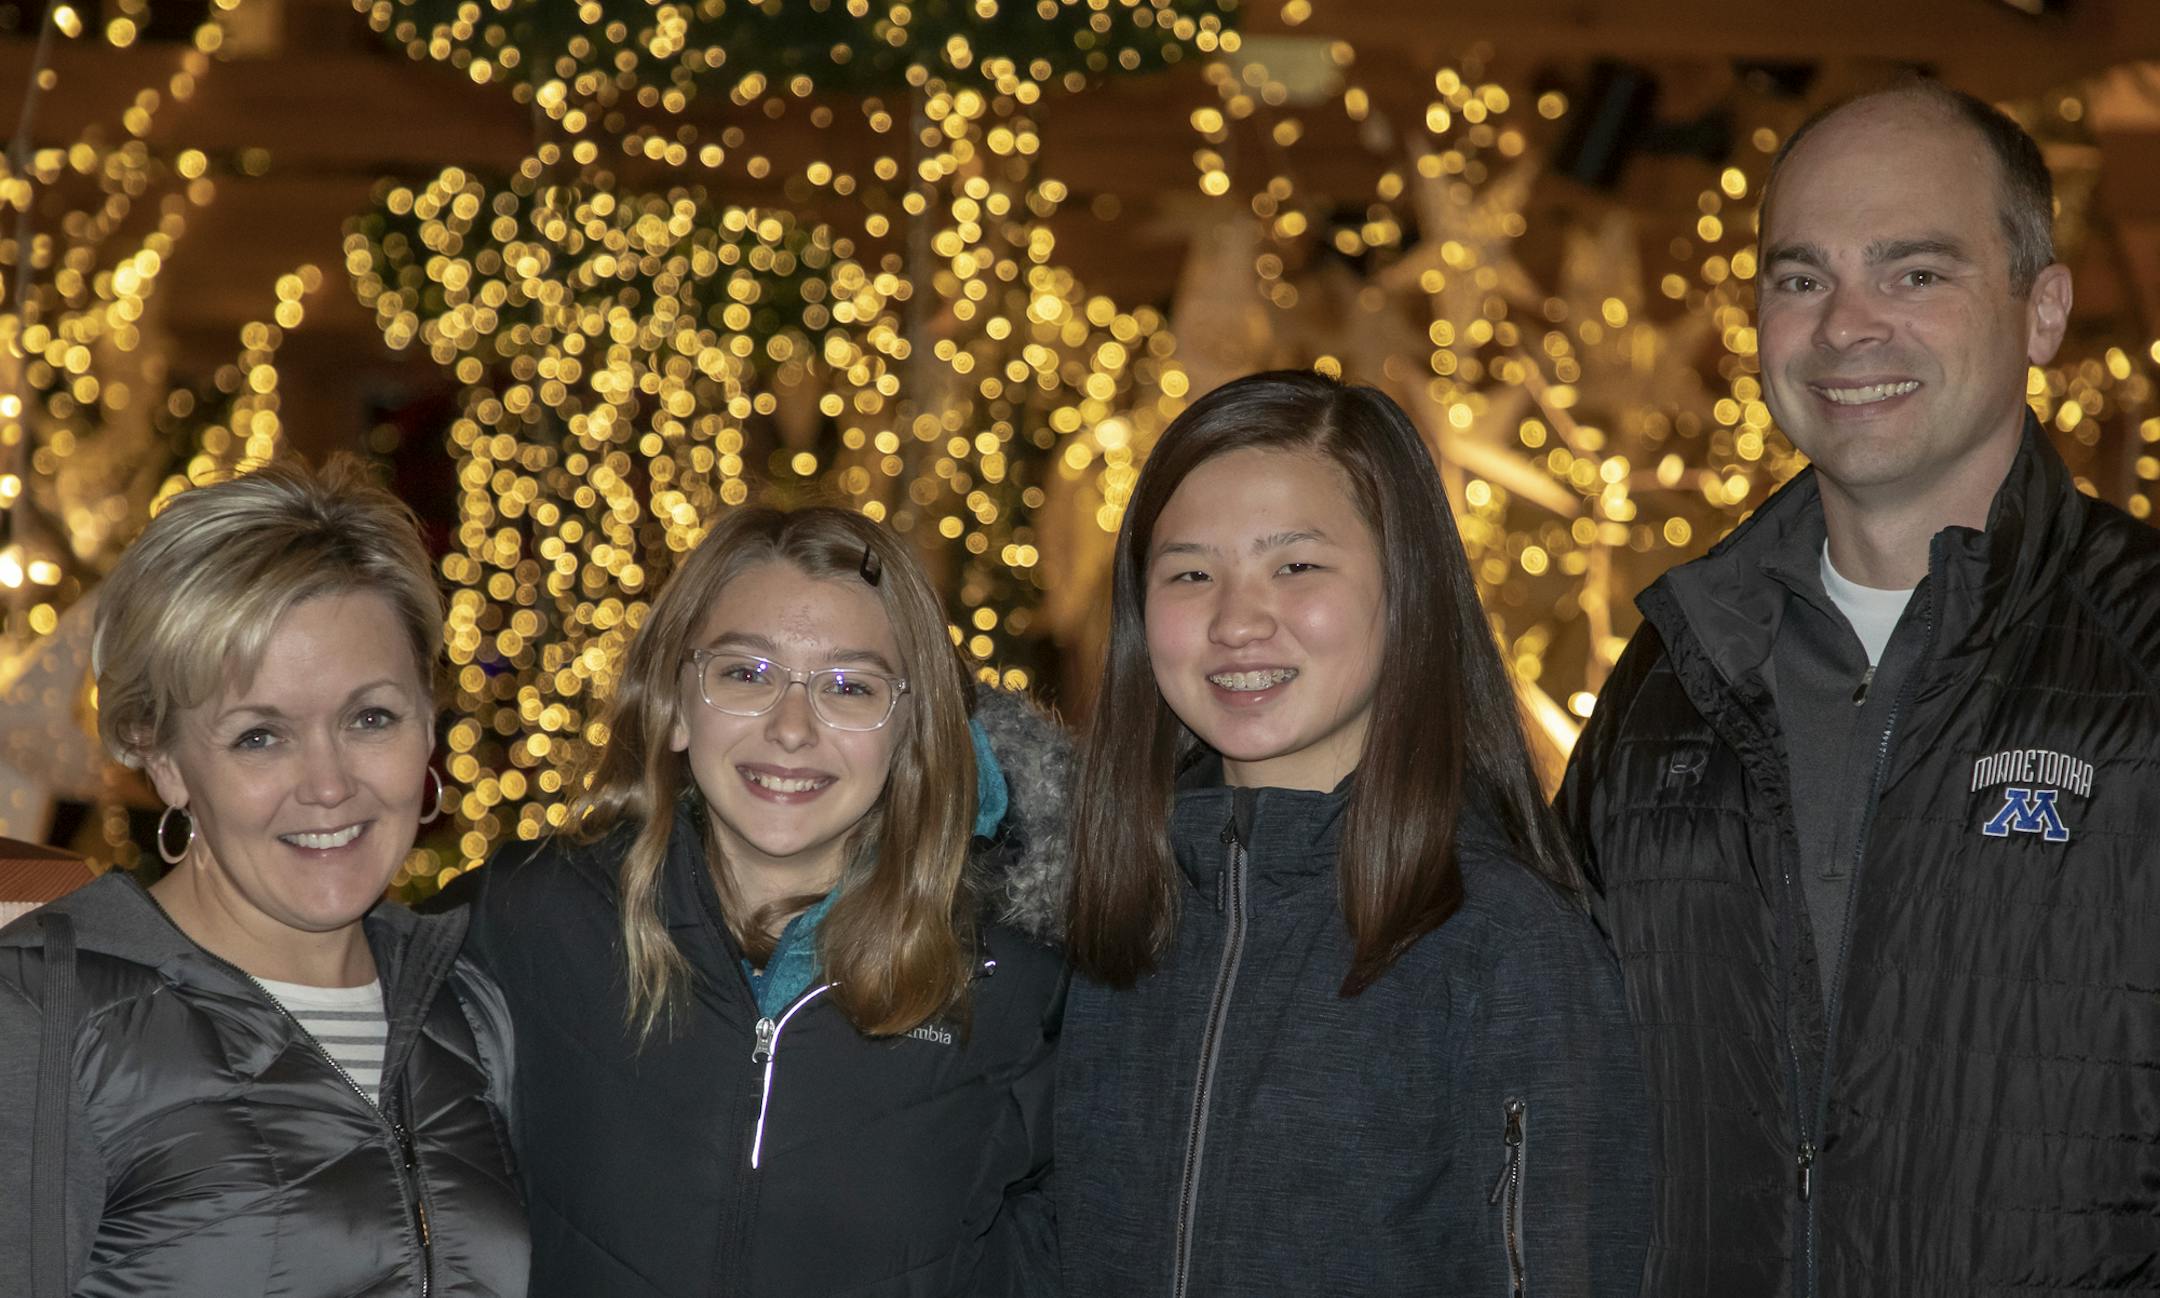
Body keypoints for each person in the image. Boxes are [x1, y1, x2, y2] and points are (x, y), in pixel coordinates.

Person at [1558, 80, 2160, 1296]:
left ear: (2042, 309)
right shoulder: (1671, 672)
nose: (1845, 326)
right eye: (1801, 277)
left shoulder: (2141, 650)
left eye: (1915, 272)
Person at [1057, 369, 1649, 1296]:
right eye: (1190, 573)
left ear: (1404, 589)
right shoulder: (1090, 924)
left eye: (1295, 566)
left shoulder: (1503, 945)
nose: (1237, 621)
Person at [445, 505, 1068, 1298]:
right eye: (747, 674)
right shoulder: (531, 919)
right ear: (674, 702)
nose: (792, 729)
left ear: (911, 731)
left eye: (849, 687)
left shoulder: (1011, 983)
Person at [0, 458, 528, 1297]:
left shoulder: (471, 1010)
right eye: (259, 736)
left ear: (427, 724)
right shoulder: (41, 1008)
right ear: (163, 759)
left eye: (371, 718)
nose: (327, 783)